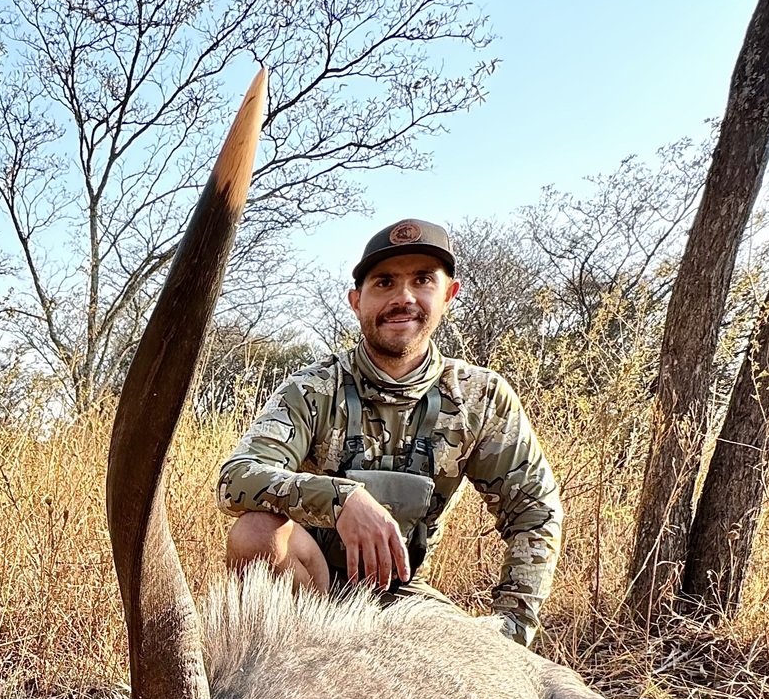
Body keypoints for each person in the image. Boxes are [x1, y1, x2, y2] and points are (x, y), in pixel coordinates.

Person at [217, 219, 562, 646]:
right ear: (356, 301)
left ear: (449, 295)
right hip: (310, 588)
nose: (403, 298)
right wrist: (342, 499)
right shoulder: (312, 389)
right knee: (256, 534)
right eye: (384, 283)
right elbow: (236, 478)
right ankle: (288, 657)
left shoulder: (482, 396)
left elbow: (535, 512)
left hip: (403, 596)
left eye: (422, 280)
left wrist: (511, 631)